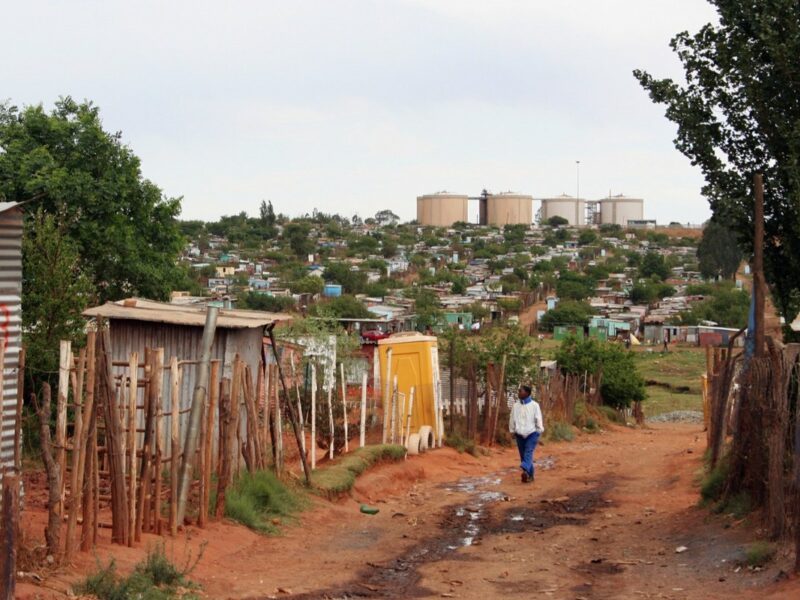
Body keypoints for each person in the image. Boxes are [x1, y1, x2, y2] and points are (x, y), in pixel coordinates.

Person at [509, 384, 545, 483]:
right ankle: (530, 475)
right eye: (519, 391)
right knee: (523, 456)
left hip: (532, 433)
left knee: (528, 453)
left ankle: (524, 468)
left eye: (521, 391)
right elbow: (512, 418)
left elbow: (538, 418)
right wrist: (512, 431)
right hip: (519, 434)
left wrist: (539, 431)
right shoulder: (516, 406)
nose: (519, 393)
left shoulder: (534, 405)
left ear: (527, 393)